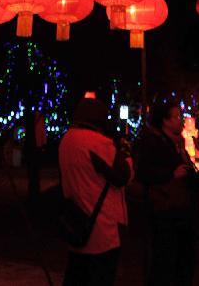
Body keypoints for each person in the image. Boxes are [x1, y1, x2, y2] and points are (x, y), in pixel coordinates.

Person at [59, 97, 132, 285]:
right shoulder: (98, 143)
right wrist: (126, 157)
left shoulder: (67, 139)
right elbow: (122, 177)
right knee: (100, 276)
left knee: (76, 276)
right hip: (102, 227)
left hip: (77, 221)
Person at [136, 99, 198, 285]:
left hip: (180, 209)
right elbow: (144, 172)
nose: (181, 120)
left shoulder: (176, 143)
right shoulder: (154, 142)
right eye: (176, 117)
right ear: (165, 121)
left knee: (182, 259)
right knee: (165, 260)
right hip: (166, 210)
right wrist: (171, 174)